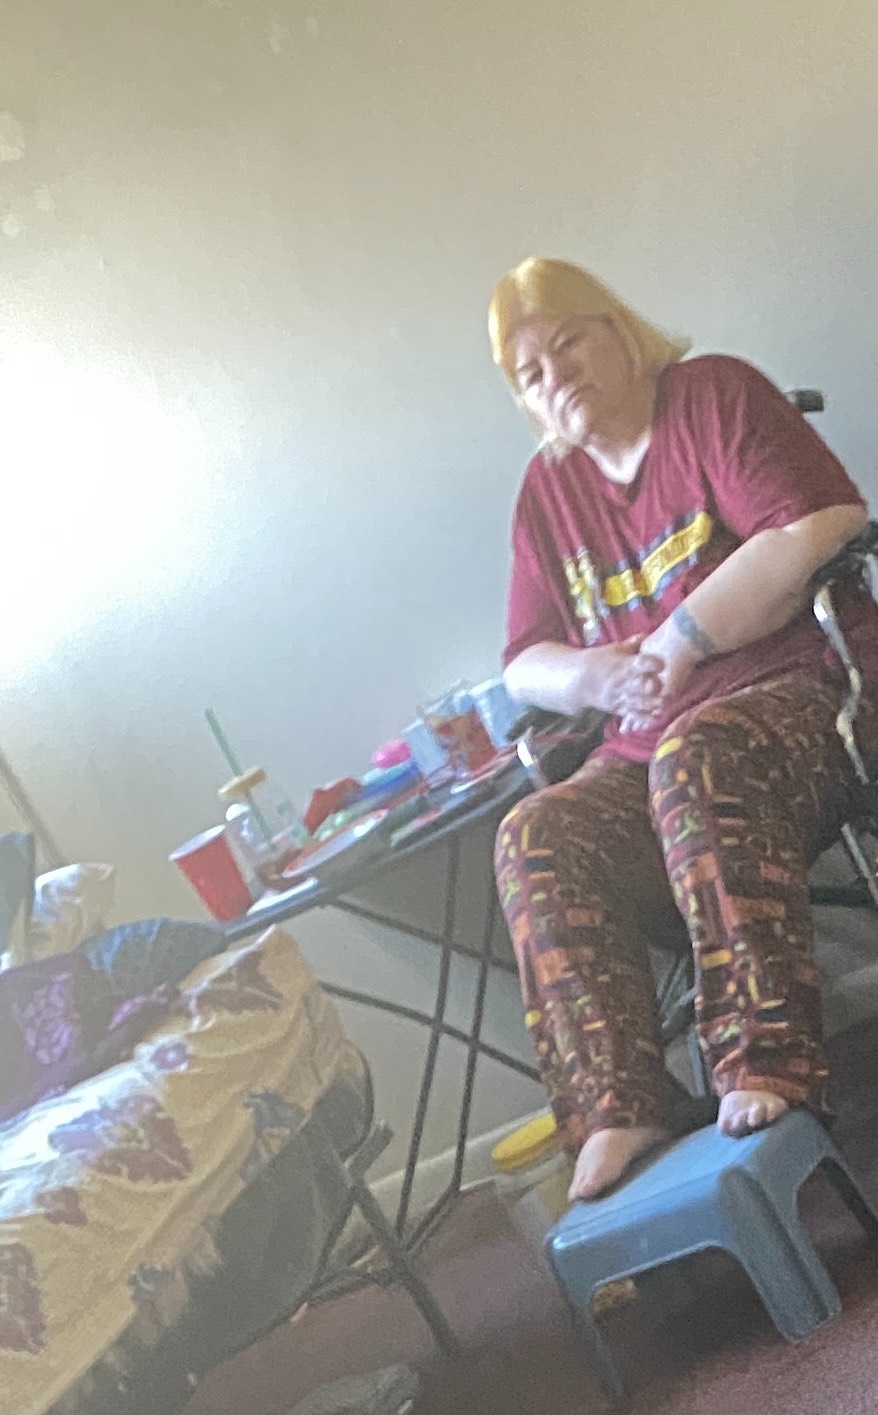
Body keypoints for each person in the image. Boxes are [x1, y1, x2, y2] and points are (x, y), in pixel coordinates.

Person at [489, 257, 878, 1202]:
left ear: (617, 327)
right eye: (531, 373)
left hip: (803, 692)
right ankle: (617, 1102)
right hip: (648, 748)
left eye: (568, 342)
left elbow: (820, 521)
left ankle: (766, 1057)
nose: (557, 375)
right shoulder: (548, 491)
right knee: (535, 832)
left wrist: (680, 641)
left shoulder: (712, 397)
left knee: (697, 755)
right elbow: (521, 660)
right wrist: (590, 673)